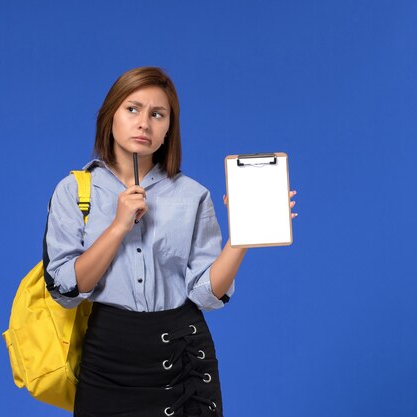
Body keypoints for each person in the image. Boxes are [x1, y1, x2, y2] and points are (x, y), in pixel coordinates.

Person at [43, 67, 298, 417]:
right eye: (132, 109)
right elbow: (66, 290)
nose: (144, 123)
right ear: (110, 115)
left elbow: (206, 295)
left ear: (168, 129)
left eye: (157, 114)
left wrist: (241, 238)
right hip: (108, 361)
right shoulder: (74, 192)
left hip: (184, 360)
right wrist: (118, 226)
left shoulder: (193, 195)